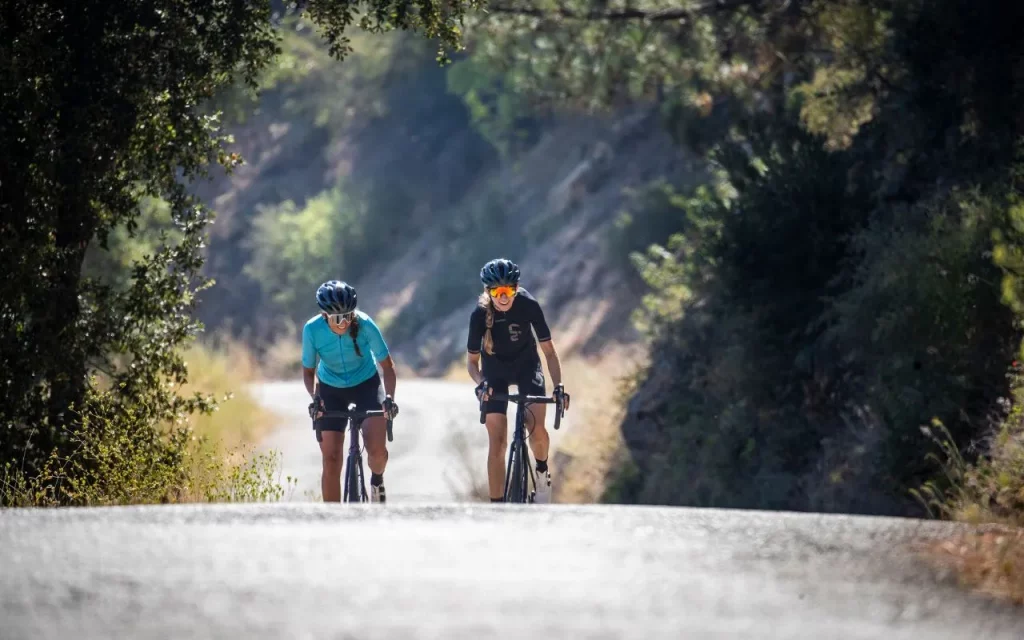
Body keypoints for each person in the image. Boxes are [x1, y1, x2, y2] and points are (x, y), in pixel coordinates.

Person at [466, 258, 570, 504]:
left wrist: (558, 386)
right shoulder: (479, 315)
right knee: (498, 442)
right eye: (497, 292)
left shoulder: (528, 305)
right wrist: (481, 383)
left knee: (536, 431)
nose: (504, 297)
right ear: (488, 292)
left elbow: (549, 352)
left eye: (509, 290)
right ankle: (497, 507)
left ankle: (542, 474)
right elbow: (471, 364)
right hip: (494, 372)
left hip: (527, 367)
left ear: (516, 288)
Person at [302, 280, 398, 503]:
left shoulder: (365, 324)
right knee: (331, 459)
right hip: (330, 389)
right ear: (325, 315)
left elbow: (388, 367)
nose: (344, 323)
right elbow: (308, 373)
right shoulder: (312, 329)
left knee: (376, 452)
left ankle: (376, 480)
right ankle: (332, 521)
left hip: (366, 385)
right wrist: (315, 398)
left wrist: (390, 398)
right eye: (337, 318)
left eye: (348, 315)